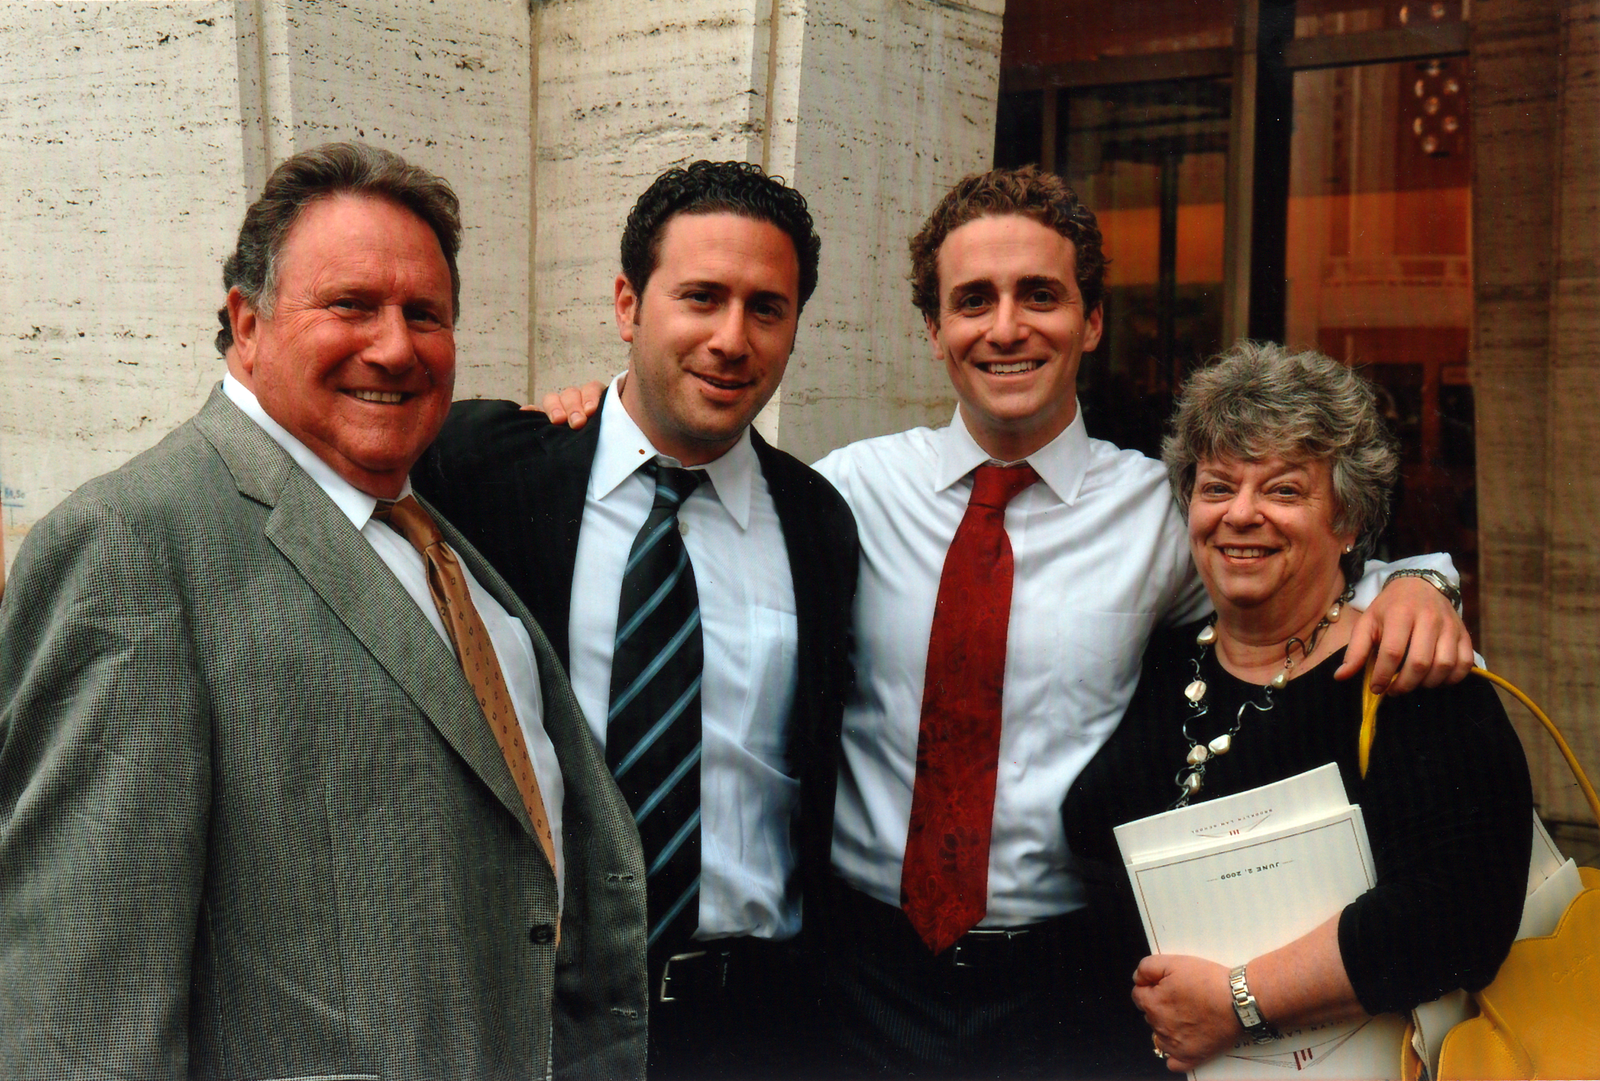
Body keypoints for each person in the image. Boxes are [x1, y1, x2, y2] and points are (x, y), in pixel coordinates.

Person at [538, 164, 1472, 1078]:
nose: (1007, 326)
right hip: (855, 978)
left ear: (1091, 319)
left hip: (1070, 983)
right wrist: (590, 414)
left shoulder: (1159, 511)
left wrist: (1417, 581)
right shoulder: (843, 495)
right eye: (973, 299)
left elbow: (1293, 566)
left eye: (1040, 295)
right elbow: (692, 492)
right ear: (936, 330)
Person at [0, 142, 647, 1079]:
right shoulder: (131, 543)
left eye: (425, 314)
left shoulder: (435, 538)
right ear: (246, 323)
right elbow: (82, 1011)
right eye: (351, 305)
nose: (395, 345)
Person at [414, 160, 858, 1079]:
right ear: (629, 304)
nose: (732, 339)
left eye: (766, 308)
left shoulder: (818, 521)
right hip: (541, 1013)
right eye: (700, 297)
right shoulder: (483, 470)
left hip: (760, 1019)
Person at [1063, 341, 1532, 1074]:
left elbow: (1462, 912)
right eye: (1217, 487)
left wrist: (1237, 1000)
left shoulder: (1411, 675)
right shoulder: (1163, 656)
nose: (1240, 514)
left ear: (1348, 523)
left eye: (1283, 490)